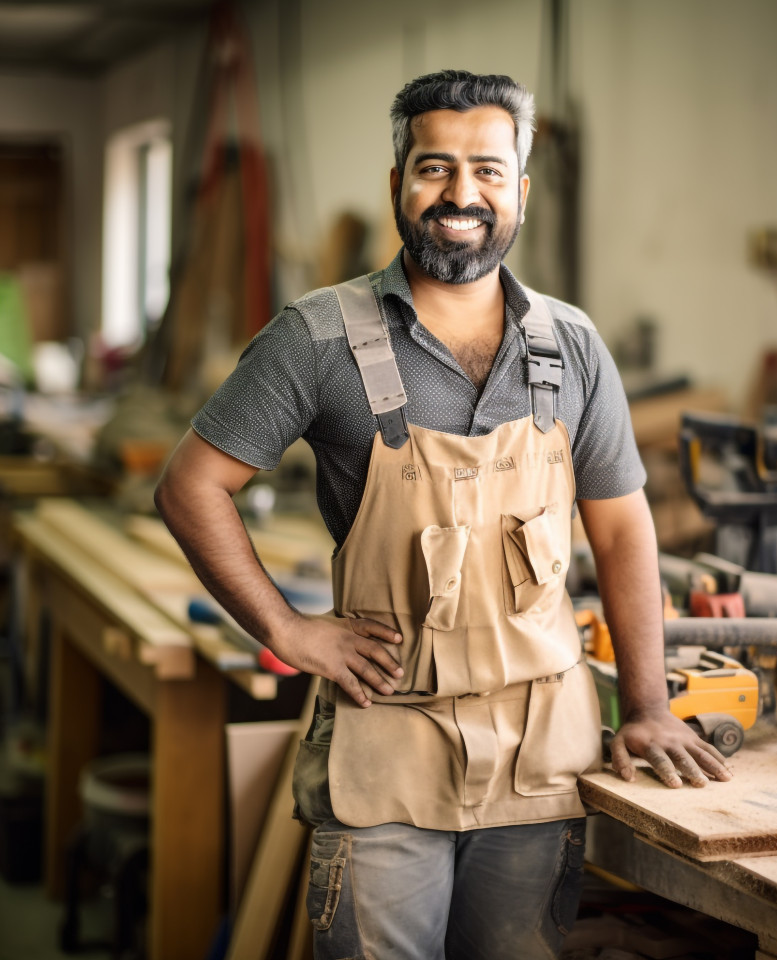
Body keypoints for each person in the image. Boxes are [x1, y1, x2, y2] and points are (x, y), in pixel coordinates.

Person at [155, 69, 731, 960]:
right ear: (398, 183)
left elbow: (622, 529)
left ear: (521, 190)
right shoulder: (315, 338)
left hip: (541, 756)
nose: (463, 194)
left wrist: (649, 704)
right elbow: (189, 486)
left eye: (488, 171)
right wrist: (285, 629)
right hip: (385, 745)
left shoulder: (573, 347)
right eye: (435, 168)